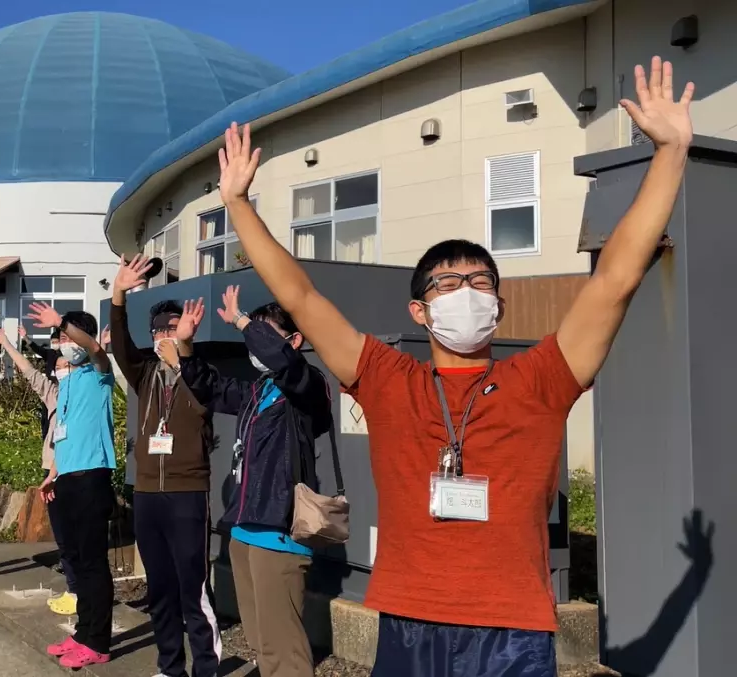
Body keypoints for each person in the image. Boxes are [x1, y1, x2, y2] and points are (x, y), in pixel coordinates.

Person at [214, 57, 694, 676]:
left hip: (512, 631)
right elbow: (303, 297)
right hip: (409, 621)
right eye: (447, 282)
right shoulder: (389, 378)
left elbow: (615, 281)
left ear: (499, 301)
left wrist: (671, 153)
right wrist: (239, 205)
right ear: (418, 309)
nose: (467, 289)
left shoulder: (542, 378)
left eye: (480, 280)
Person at [178, 287, 330, 677]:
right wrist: (185, 347)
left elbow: (284, 363)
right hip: (245, 530)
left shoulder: (305, 386)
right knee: (262, 642)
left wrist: (244, 321)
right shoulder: (258, 390)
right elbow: (211, 389)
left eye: (265, 335)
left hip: (278, 532)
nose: (255, 346)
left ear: (294, 341)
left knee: (285, 648)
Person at [110, 255, 221, 677]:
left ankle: (206, 669)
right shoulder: (145, 374)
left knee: (192, 590)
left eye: (170, 329)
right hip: (148, 496)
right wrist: (118, 294)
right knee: (160, 589)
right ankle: (170, 667)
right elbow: (120, 345)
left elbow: (200, 388)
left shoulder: (199, 375)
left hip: (186, 494)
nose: (162, 336)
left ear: (185, 331)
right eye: (157, 330)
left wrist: (185, 349)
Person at [26, 302, 116, 670]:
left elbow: (95, 350)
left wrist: (62, 321)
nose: (64, 343)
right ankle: (82, 633)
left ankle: (99, 641)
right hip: (67, 479)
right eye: (60, 338)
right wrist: (54, 473)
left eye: (67, 337)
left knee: (94, 564)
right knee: (77, 563)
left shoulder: (99, 373)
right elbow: (64, 436)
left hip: (92, 478)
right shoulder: (66, 383)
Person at [0, 327, 79, 616]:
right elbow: (29, 371)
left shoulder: (84, 396)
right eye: (58, 367)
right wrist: (7, 345)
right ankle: (74, 589)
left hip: (74, 473)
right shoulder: (53, 393)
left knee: (78, 538)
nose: (61, 371)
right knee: (63, 537)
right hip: (51, 476)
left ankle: (80, 592)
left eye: (67, 366)